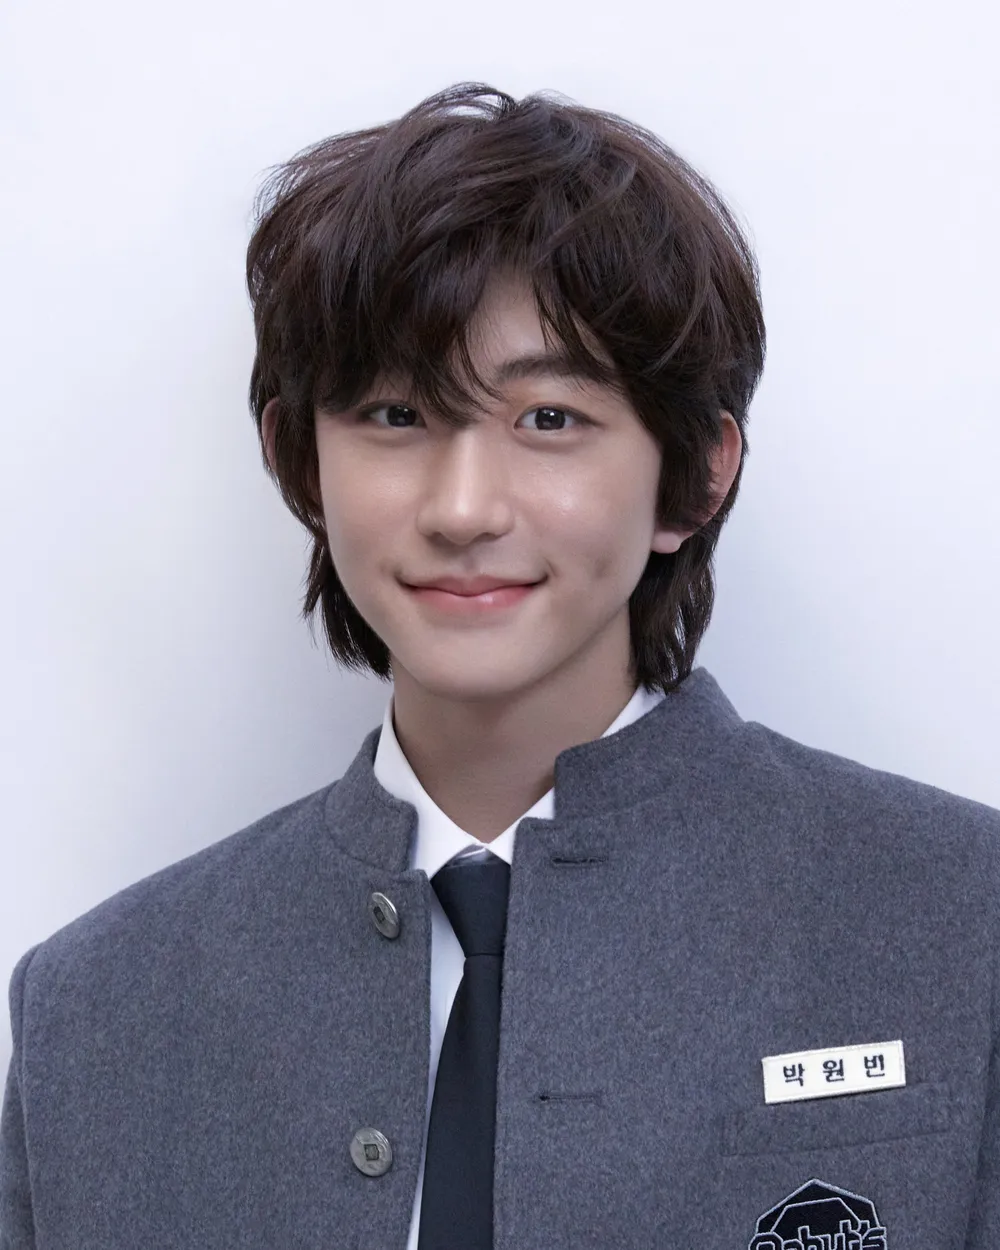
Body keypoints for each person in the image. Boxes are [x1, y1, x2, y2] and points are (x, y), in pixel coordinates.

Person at [2, 80, 999, 1250]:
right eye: (393, 414)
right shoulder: (94, 1011)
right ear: (298, 463)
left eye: (548, 419)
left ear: (693, 474)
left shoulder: (959, 916)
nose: (463, 508)